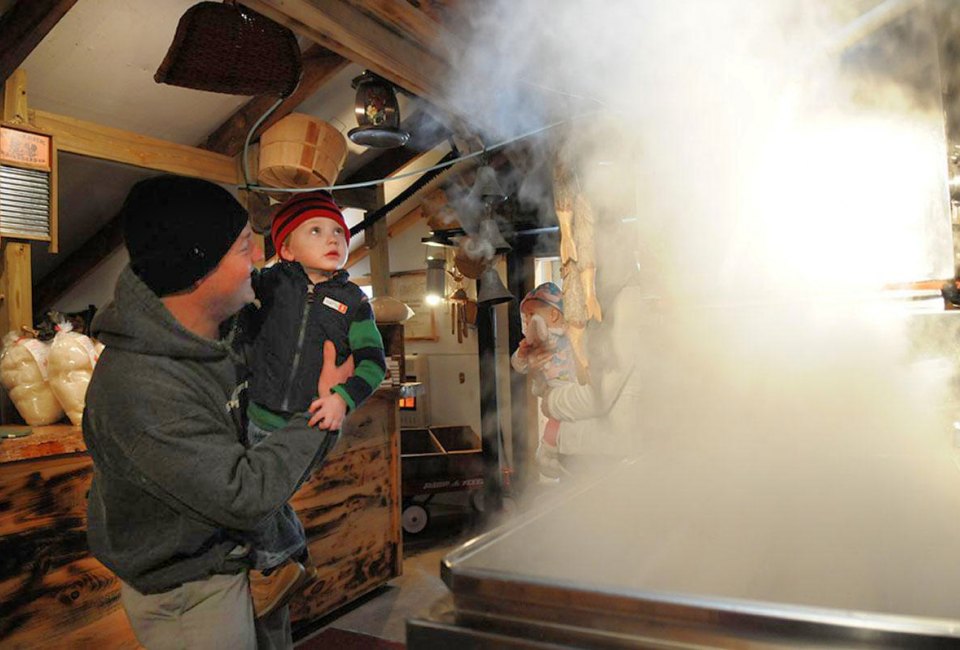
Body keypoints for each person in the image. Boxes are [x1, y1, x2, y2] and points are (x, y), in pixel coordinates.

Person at [83, 175, 351, 650]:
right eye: (245, 247)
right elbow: (243, 492)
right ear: (200, 268)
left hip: (251, 561)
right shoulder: (139, 387)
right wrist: (326, 409)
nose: (257, 260)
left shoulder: (228, 331)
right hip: (190, 591)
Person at [236, 189, 386, 607]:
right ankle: (292, 558)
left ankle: (277, 567)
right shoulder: (268, 284)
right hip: (258, 415)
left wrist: (343, 397)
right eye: (316, 230)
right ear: (285, 248)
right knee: (260, 495)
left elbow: (374, 363)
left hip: (312, 422)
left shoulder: (355, 303)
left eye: (338, 230)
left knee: (261, 496)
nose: (333, 238)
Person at [510, 282, 576, 480]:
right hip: (551, 390)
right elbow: (518, 364)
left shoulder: (568, 337)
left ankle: (548, 452)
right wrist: (522, 354)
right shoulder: (534, 341)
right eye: (526, 316)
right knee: (554, 419)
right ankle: (549, 453)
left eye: (532, 314)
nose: (529, 320)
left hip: (566, 388)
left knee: (556, 420)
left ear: (554, 315)